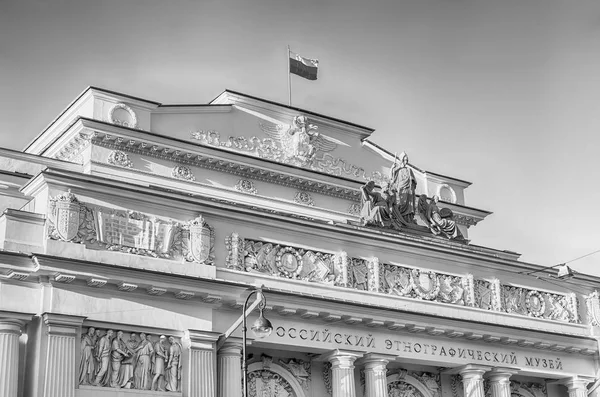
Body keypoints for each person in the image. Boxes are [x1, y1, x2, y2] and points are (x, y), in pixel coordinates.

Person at [389, 152, 417, 223]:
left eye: (407, 160)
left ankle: (407, 218)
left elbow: (414, 181)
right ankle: (399, 216)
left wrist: (412, 180)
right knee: (402, 202)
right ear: (401, 160)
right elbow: (392, 177)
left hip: (409, 189)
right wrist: (393, 168)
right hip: (401, 188)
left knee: (409, 203)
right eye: (404, 160)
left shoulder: (409, 170)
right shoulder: (397, 169)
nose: (406, 162)